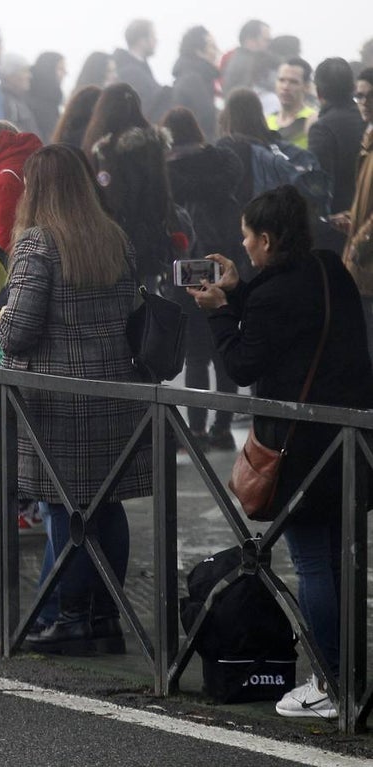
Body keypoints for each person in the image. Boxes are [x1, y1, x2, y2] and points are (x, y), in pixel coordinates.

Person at [187, 185, 373, 719]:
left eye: (248, 237)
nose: (244, 245)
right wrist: (237, 291)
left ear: (267, 239)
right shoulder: (327, 268)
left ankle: (331, 682)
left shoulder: (275, 295)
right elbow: (288, 318)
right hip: (348, 440)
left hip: (301, 450)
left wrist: (219, 312)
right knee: (338, 560)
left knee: (312, 563)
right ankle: (349, 677)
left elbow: (243, 364)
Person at [0, 144, 153, 654]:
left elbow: (18, 331)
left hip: (57, 401)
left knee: (67, 513)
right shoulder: (114, 237)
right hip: (114, 393)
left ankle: (69, 620)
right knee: (107, 507)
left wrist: (0, 320)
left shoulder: (38, 243)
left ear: (35, 189)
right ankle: (105, 618)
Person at [160, 106, 245, 451]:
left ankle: (195, 431)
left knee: (196, 355)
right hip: (226, 263)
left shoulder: (168, 174)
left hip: (190, 267)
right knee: (225, 348)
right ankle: (223, 428)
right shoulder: (223, 163)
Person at [82, 83, 179, 287]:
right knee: (147, 297)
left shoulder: (106, 150)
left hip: (115, 245)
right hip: (151, 241)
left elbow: (111, 199)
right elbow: (163, 196)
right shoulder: (153, 145)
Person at [309, 58, 366, 254]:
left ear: (318, 92)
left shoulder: (322, 128)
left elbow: (319, 183)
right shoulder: (365, 119)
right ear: (352, 87)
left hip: (338, 225)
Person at [339, 68, 373, 358]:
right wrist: (352, 218)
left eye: (369, 96)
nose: (363, 102)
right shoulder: (368, 139)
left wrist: (359, 242)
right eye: (359, 96)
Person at [169, 26, 221, 143]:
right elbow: (208, 117)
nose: (217, 51)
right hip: (200, 146)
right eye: (212, 47)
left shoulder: (196, 76)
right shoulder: (193, 79)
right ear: (198, 51)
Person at [113, 19, 165, 120]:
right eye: (153, 36)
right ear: (142, 41)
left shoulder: (141, 68)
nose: (156, 40)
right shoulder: (130, 72)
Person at [267, 58, 317, 148]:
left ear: (306, 86)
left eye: (293, 82)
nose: (285, 87)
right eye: (281, 80)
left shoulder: (313, 120)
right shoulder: (266, 121)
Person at [26, 52, 66, 143]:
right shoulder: (32, 101)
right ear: (48, 69)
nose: (65, 73)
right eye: (60, 69)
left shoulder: (53, 100)